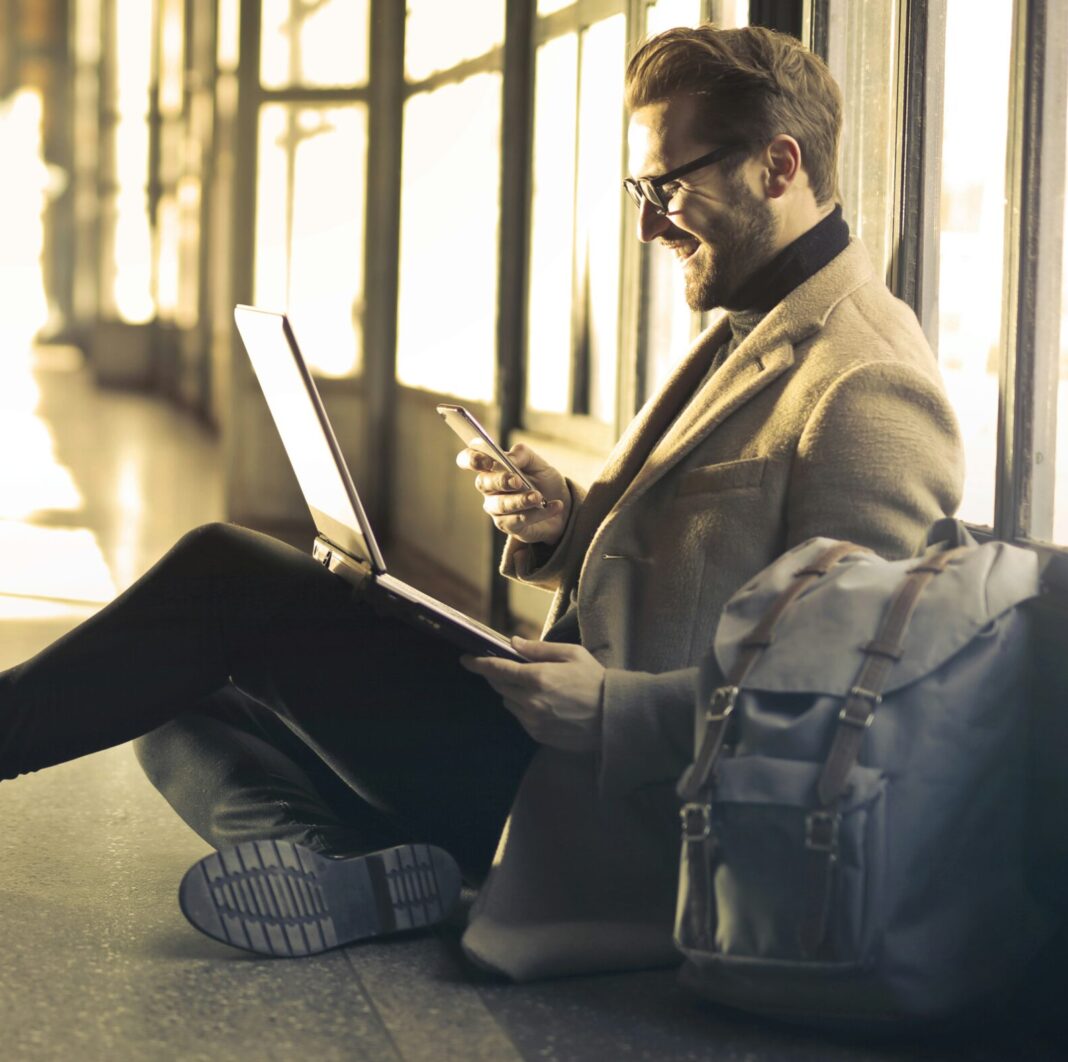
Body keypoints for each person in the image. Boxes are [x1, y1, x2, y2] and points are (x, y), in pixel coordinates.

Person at [0, 24, 963, 979]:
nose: (647, 225)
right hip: (551, 746)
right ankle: (353, 870)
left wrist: (615, 710)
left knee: (222, 579)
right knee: (173, 688)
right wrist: (571, 522)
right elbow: (717, 560)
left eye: (667, 187)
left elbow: (857, 707)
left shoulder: (866, 379)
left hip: (620, 795)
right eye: (642, 191)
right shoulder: (758, 316)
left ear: (778, 166)